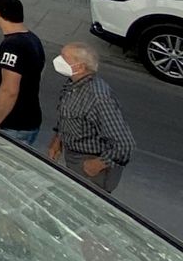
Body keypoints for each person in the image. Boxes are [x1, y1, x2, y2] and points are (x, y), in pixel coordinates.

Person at [48, 43, 134, 193]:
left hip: (90, 165)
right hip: (73, 156)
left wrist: (98, 164)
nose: (58, 60)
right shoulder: (72, 86)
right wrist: (57, 141)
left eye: (64, 57)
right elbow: (67, 116)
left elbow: (124, 144)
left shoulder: (98, 97)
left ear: (80, 67)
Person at [0, 0, 45, 145]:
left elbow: (9, 90)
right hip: (23, 121)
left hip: (10, 125)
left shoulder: (13, 46)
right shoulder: (32, 39)